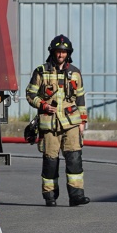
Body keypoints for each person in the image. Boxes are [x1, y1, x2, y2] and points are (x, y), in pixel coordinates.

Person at [25, 34, 90, 207]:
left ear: (68, 53)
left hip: (71, 124)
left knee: (75, 159)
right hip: (49, 124)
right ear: (52, 52)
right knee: (50, 161)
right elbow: (30, 94)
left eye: (64, 52)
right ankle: (50, 196)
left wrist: (82, 122)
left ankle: (76, 196)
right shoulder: (41, 71)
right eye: (58, 51)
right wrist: (43, 105)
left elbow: (81, 99)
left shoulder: (75, 73)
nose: (61, 55)